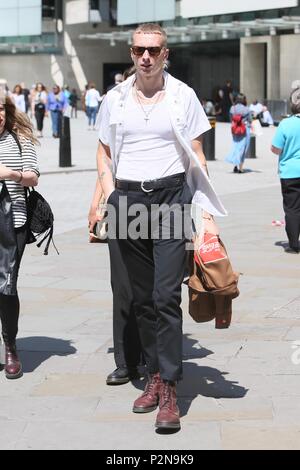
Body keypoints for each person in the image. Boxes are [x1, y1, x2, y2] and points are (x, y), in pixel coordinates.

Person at [97, 23, 226, 431]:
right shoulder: (114, 99)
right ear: (131, 53)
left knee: (166, 294)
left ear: (165, 53)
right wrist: (107, 196)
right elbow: (102, 151)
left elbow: (197, 155)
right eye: (139, 50)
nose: (146, 57)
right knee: (140, 299)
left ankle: (169, 387)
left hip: (171, 198)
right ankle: (152, 373)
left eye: (154, 50)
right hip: (127, 200)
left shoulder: (183, 95)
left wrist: (203, 213)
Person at [88, 179, 144, 384]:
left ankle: (150, 352)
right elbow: (105, 160)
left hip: (165, 203)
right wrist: (96, 205)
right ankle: (126, 361)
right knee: (123, 286)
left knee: (159, 289)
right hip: (121, 203)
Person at [0, 91, 39, 379]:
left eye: (1, 108)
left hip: (14, 223)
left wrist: (9, 174)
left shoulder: (20, 138)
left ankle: (10, 346)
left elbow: (33, 176)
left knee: (6, 285)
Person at [271, 87, 300, 254]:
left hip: (289, 172)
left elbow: (276, 148)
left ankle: (294, 245)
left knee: (292, 208)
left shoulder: (285, 124)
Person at [225, 93, 251, 174]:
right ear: (243, 100)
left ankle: (235, 166)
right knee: (243, 148)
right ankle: (240, 168)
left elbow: (231, 119)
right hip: (244, 129)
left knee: (236, 146)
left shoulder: (232, 108)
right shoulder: (247, 109)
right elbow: (250, 120)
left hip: (235, 129)